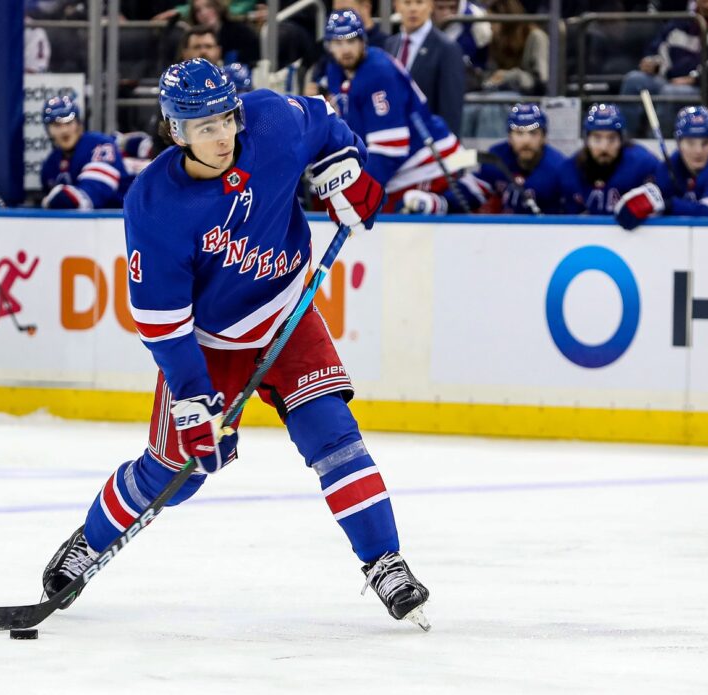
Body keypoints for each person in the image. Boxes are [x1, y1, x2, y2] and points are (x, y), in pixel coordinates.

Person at [40, 58, 431, 628]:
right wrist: (194, 397)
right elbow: (162, 323)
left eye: (226, 118)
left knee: (335, 439)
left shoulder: (271, 120)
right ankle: (91, 541)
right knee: (175, 473)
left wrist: (346, 172)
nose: (222, 135)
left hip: (287, 314)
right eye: (204, 127)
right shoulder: (153, 203)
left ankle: (385, 562)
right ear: (176, 131)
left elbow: (326, 125)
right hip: (208, 346)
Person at [322, 10, 481, 214]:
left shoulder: (377, 73)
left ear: (363, 41)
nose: (345, 49)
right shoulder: (336, 70)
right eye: (338, 43)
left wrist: (357, 195)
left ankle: (439, 203)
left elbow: (390, 150)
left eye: (351, 41)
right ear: (329, 46)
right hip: (402, 167)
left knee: (386, 216)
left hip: (429, 164)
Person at [615, 106, 708, 230]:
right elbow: (657, 200)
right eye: (690, 142)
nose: (698, 151)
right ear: (678, 142)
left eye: (705, 143)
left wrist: (668, 205)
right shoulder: (671, 165)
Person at [619, 0, 708, 138]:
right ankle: (623, 141)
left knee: (669, 92)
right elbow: (655, 49)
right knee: (634, 80)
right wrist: (653, 62)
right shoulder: (681, 22)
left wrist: (696, 78)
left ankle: (658, 146)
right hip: (668, 79)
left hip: (705, 87)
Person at [460, 0, 548, 138]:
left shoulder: (535, 36)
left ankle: (490, 154)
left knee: (492, 107)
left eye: (493, 23)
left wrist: (510, 76)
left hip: (527, 95)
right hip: (496, 91)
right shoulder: (496, 41)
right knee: (469, 102)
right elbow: (489, 74)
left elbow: (542, 81)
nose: (490, 28)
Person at [560, 103, 660, 215]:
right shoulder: (571, 169)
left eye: (611, 138)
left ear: (621, 139)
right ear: (586, 140)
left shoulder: (643, 163)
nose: (604, 147)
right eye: (597, 138)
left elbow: (663, 199)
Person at [385, 0, 467, 135]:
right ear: (396, 6)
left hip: (429, 144)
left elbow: (451, 111)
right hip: (395, 139)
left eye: (419, 2)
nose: (413, 9)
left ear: (431, 5)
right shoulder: (390, 45)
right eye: (407, 2)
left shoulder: (447, 48)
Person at [39, 95, 130, 210]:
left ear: (78, 124)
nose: (64, 130)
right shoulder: (50, 165)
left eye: (68, 123)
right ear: (48, 130)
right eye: (57, 125)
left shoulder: (100, 145)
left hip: (120, 221)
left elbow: (91, 195)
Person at [474, 103, 568, 214]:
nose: (526, 141)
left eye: (533, 133)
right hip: (501, 229)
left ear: (544, 138)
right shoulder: (495, 159)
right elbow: (473, 192)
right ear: (509, 137)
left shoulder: (559, 167)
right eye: (519, 133)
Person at [433, 0, 491, 71]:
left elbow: (482, 56)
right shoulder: (419, 17)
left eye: (452, 7)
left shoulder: (476, 17)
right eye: (440, 8)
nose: (446, 13)